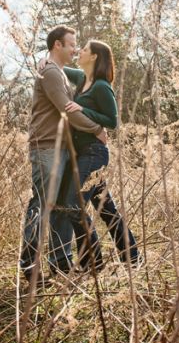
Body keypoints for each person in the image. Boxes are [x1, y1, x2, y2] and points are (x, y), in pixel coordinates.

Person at [22, 25, 107, 284]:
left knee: (59, 208)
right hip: (47, 148)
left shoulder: (56, 71)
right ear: (57, 45)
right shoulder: (50, 72)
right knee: (41, 206)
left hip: (62, 149)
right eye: (71, 44)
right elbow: (67, 110)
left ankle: (60, 262)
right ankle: (30, 267)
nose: (74, 49)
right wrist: (97, 129)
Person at [57, 39, 141, 271]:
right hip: (82, 153)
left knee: (73, 204)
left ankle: (92, 263)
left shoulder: (101, 86)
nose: (79, 52)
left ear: (94, 57)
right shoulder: (83, 79)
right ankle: (132, 257)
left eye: (83, 49)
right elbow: (59, 66)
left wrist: (85, 110)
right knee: (106, 209)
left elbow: (112, 121)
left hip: (94, 153)